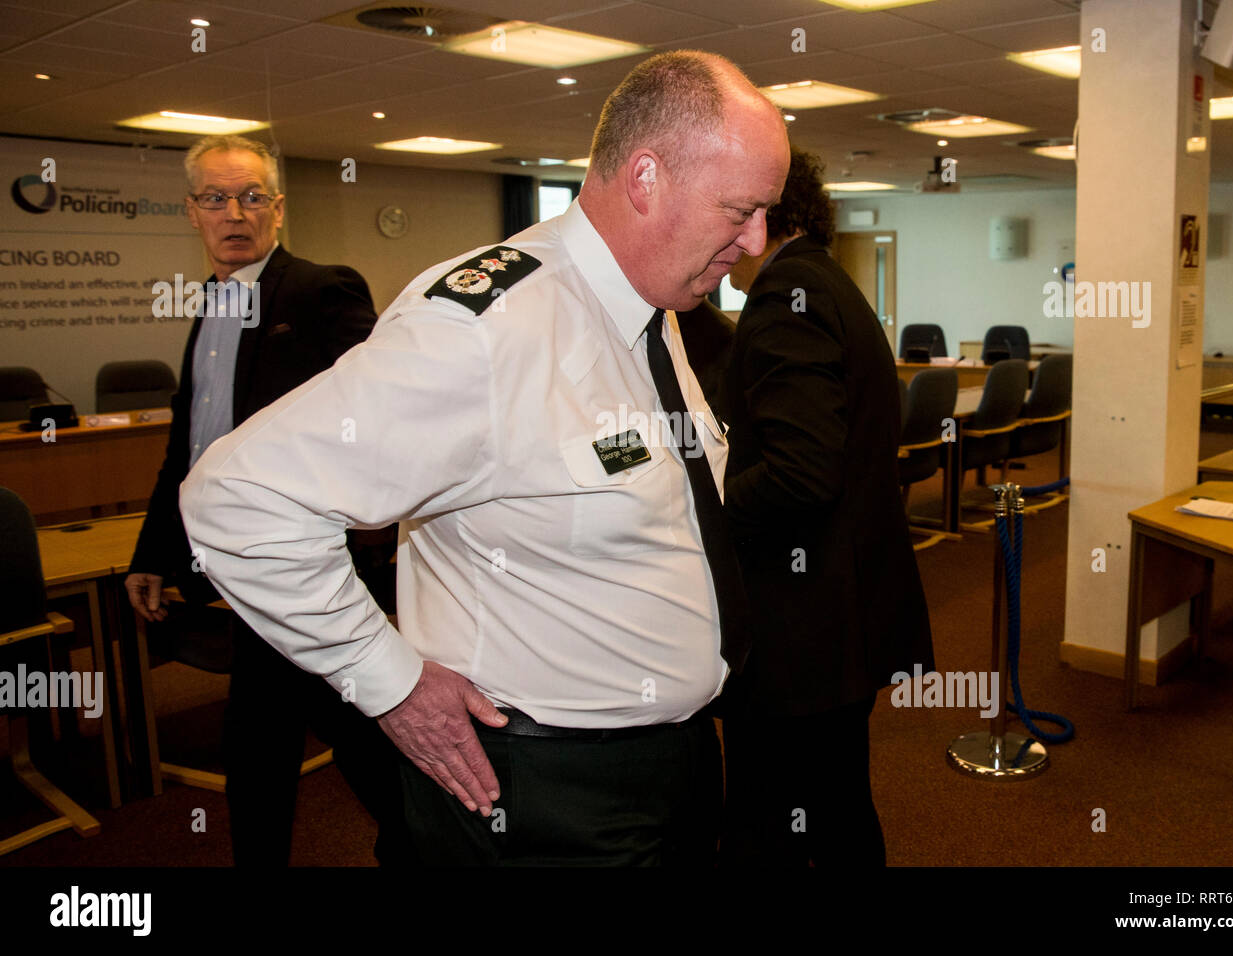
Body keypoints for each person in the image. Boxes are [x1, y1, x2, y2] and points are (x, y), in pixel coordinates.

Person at [179, 51, 790, 866]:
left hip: (668, 764)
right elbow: (236, 500)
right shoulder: (485, 329)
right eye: (739, 210)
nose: (754, 243)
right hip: (537, 793)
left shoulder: (652, 304)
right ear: (646, 179)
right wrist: (386, 680)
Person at [124, 134, 402, 866]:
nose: (234, 213)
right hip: (235, 566)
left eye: (252, 196)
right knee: (302, 726)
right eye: (216, 198)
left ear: (277, 208)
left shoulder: (320, 290)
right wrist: (154, 551)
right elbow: (190, 447)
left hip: (301, 561)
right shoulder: (206, 309)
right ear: (192, 213)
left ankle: (429, 838)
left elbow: (374, 406)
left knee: (296, 729)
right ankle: (427, 838)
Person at [717, 146, 934, 867]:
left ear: (757, 218)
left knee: (773, 821)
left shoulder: (784, 298)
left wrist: (707, 509)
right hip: (843, 616)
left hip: (800, 630)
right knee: (837, 811)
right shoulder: (824, 280)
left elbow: (800, 472)